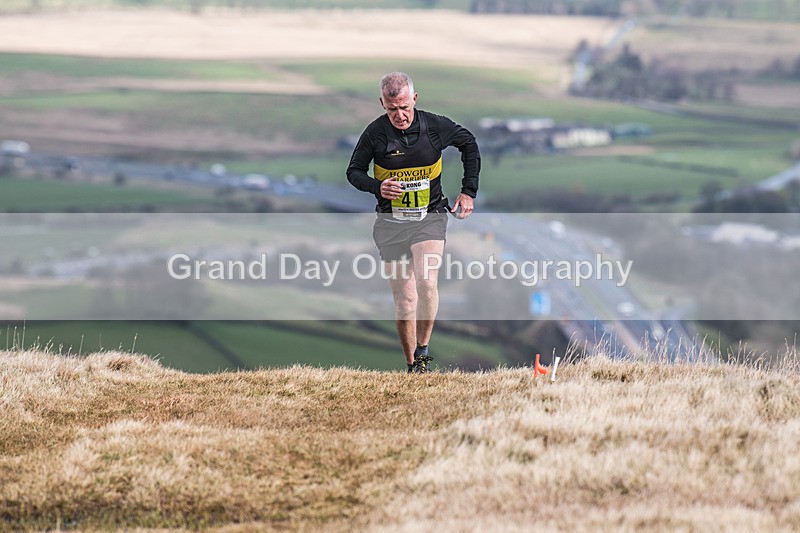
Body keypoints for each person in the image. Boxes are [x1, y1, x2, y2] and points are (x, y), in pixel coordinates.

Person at [346, 71, 481, 373]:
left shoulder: (434, 126)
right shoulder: (375, 134)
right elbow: (353, 171)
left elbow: (469, 143)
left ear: (415, 99)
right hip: (390, 224)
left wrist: (468, 192)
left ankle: (423, 352)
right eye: (392, 109)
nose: (400, 115)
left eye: (405, 107)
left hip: (429, 217)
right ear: (382, 103)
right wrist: (376, 187)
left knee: (426, 283)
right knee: (406, 300)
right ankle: (412, 366)